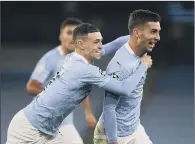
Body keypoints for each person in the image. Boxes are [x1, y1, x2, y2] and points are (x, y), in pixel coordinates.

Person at [6, 23, 152, 144]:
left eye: (100, 41)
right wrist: (143, 65)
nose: (101, 46)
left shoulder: (73, 57)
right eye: (96, 42)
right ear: (81, 44)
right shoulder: (85, 70)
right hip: (27, 130)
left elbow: (112, 46)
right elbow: (124, 89)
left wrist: (137, 39)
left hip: (48, 132)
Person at [26, 17, 129, 143]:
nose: (71, 37)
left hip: (65, 122)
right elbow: (31, 86)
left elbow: (80, 88)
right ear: (60, 36)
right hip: (44, 121)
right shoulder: (50, 59)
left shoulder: (81, 59)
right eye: (69, 33)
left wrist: (88, 112)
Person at [93, 9, 161, 144]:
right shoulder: (119, 68)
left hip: (134, 129)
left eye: (158, 32)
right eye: (153, 32)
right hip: (114, 135)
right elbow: (109, 108)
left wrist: (94, 53)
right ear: (137, 33)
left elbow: (107, 48)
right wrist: (112, 141)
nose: (158, 37)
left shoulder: (128, 41)